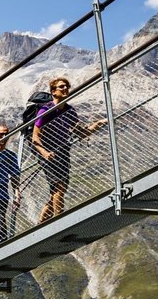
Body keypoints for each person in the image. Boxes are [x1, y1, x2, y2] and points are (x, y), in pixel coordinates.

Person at [30, 77, 107, 222]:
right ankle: (59, 221)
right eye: (61, 87)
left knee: (60, 190)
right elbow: (35, 137)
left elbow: (82, 133)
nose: (65, 88)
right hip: (47, 152)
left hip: (62, 151)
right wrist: (45, 153)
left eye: (67, 86)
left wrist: (98, 124)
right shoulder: (46, 110)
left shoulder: (70, 111)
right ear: (53, 91)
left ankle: (41, 222)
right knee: (58, 186)